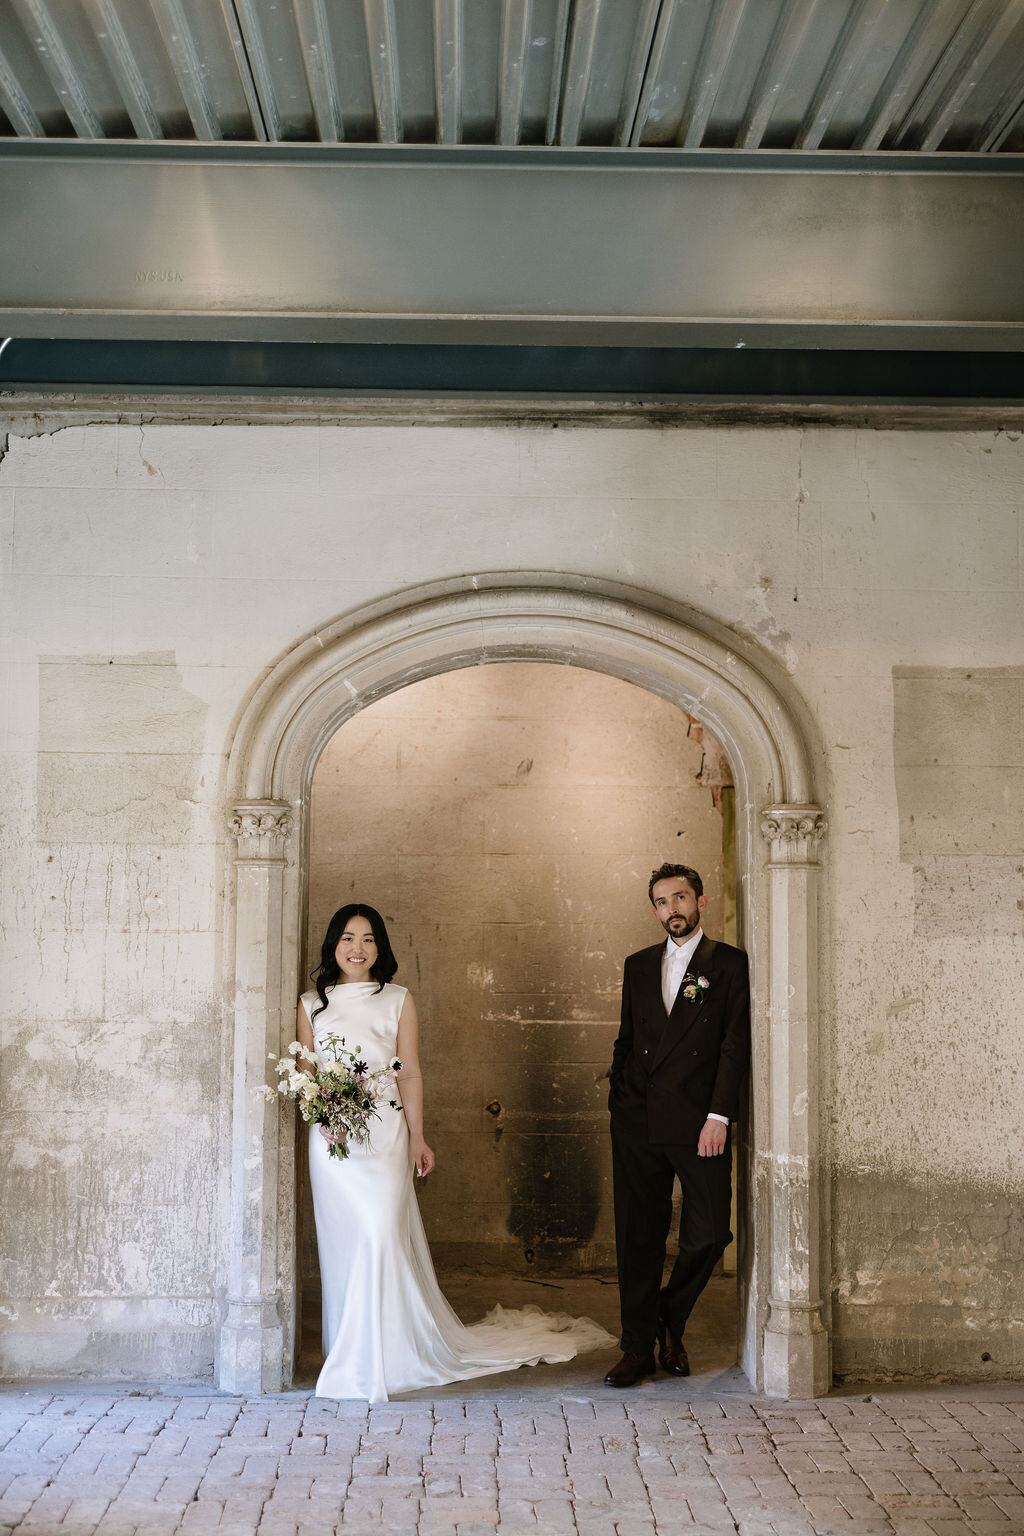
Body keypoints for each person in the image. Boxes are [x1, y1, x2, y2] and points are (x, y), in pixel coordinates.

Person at [297, 902, 613, 1401]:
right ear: (333, 945)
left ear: (380, 948)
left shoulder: (398, 998)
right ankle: (350, 1349)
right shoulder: (312, 1002)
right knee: (346, 1246)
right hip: (334, 1143)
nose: (357, 949)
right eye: (348, 938)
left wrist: (418, 1137)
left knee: (381, 1236)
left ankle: (387, 1355)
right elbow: (308, 1074)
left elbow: (410, 1072)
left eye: (368, 939)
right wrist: (323, 1121)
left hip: (384, 1135)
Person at [604, 864, 750, 1387]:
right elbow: (627, 1038)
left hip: (698, 1122)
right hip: (638, 1120)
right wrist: (618, 1101)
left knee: (710, 1233)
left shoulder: (729, 963)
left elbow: (735, 1045)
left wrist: (719, 1116)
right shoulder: (638, 965)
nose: (673, 910)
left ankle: (669, 1314)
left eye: (681, 898)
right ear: (655, 910)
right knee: (638, 1237)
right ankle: (638, 1349)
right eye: (663, 902)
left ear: (701, 901)